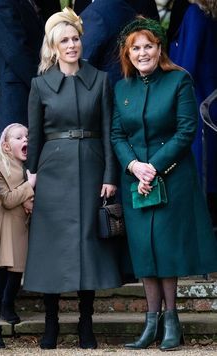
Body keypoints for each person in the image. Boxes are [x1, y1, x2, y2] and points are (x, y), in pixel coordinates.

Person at [111, 16, 217, 351]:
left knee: (165, 249)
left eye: (148, 47)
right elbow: (117, 134)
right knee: (144, 251)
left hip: (171, 177)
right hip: (136, 181)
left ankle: (172, 321)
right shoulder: (121, 87)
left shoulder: (179, 81)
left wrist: (152, 169)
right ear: (128, 54)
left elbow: (187, 131)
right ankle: (150, 322)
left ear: (159, 49)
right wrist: (133, 166)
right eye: (136, 48)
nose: (142, 53)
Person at [23, 7, 121, 350]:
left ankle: (86, 323)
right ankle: (51, 323)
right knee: (51, 247)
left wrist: (110, 174)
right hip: (51, 170)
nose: (71, 45)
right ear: (53, 46)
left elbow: (109, 132)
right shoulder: (39, 85)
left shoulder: (101, 80)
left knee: (87, 245)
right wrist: (29, 182)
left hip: (92, 166)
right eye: (64, 40)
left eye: (75, 38)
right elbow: (34, 138)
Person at [0, 123, 36, 348]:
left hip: (22, 229)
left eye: (27, 136)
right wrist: (29, 188)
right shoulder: (0, 169)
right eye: (19, 137)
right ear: (6, 146)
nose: (25, 139)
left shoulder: (30, 168)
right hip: (5, 229)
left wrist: (30, 198)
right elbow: (7, 200)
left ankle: (8, 304)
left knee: (17, 275)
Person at [168, 0, 217, 195]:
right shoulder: (210, 14)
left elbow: (186, 66)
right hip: (210, 98)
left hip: (196, 100)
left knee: (198, 171)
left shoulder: (195, 13)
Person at [0, 0, 44, 135]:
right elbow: (16, 53)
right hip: (15, 95)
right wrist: (42, 83)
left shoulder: (28, 3)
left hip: (29, 89)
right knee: (13, 150)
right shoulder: (3, 5)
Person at [80, 0, 159, 87]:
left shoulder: (95, 14)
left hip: (104, 91)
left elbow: (81, 65)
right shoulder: (125, 7)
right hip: (130, 86)